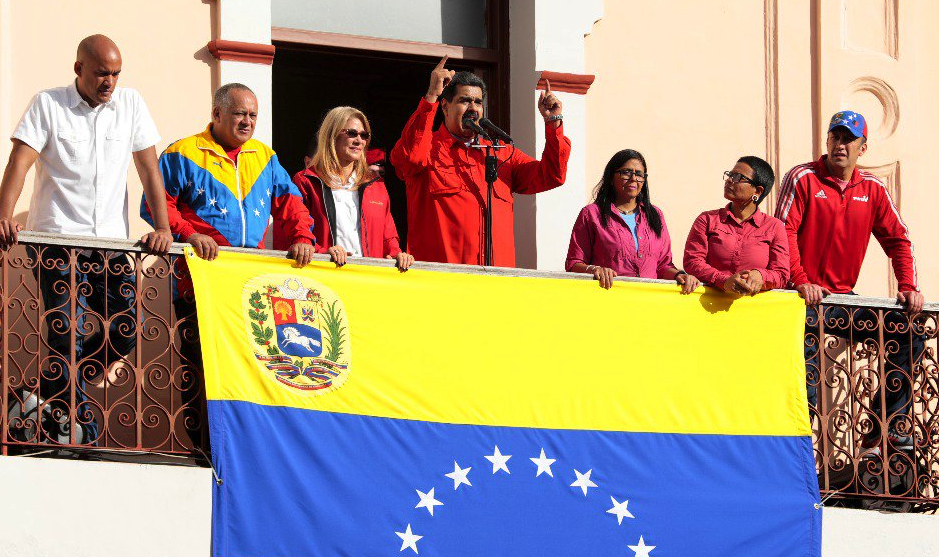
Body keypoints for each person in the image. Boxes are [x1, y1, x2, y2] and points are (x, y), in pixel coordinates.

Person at [0, 34, 174, 445]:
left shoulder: (130, 105)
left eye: (115, 73)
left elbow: (150, 171)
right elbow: (19, 163)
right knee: (67, 333)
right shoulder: (48, 104)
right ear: (78, 69)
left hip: (111, 245)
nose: (109, 81)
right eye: (101, 73)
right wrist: (3, 215)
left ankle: (45, 393)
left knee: (127, 330)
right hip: (57, 241)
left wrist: (163, 227)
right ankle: (78, 426)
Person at [141, 83, 316, 449]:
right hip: (197, 284)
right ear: (217, 114)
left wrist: (302, 236)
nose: (247, 121)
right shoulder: (183, 153)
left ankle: (241, 449)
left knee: (246, 369)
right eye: (240, 114)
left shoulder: (265, 158)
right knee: (200, 367)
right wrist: (188, 234)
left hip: (247, 287)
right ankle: (200, 449)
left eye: (253, 115)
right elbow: (155, 206)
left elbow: (293, 204)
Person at [775, 110, 923, 448]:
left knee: (908, 333)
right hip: (799, 303)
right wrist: (800, 280)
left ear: (862, 148)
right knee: (806, 388)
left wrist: (908, 287)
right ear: (827, 141)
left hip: (843, 300)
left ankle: (886, 430)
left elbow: (899, 240)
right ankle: (793, 460)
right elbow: (783, 233)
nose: (840, 144)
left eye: (848, 139)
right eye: (835, 137)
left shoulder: (872, 189)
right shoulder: (803, 178)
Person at [390, 56, 571, 266]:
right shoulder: (428, 148)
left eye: (478, 102)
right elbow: (408, 159)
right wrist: (431, 96)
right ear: (445, 107)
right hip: (441, 282)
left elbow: (552, 175)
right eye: (464, 100)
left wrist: (553, 122)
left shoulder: (500, 152)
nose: (473, 108)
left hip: (495, 283)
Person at [273, 106, 413, 270]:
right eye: (352, 133)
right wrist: (323, 253)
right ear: (332, 135)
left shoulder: (376, 184)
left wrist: (398, 254)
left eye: (364, 135)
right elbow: (295, 235)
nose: (359, 140)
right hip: (326, 276)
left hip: (368, 278)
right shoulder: (307, 181)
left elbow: (388, 236)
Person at [565, 149, 699, 293]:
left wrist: (681, 275)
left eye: (639, 174)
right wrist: (595, 270)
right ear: (611, 177)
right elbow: (573, 264)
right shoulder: (591, 214)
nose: (633, 178)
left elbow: (662, 266)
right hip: (607, 299)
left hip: (648, 302)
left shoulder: (655, 215)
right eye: (626, 172)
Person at [683, 156, 789, 294]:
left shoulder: (774, 227)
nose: (729, 180)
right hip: (708, 306)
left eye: (738, 177)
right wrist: (723, 280)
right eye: (730, 174)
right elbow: (692, 262)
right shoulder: (707, 219)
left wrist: (761, 276)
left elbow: (782, 274)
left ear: (757, 191)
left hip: (756, 310)